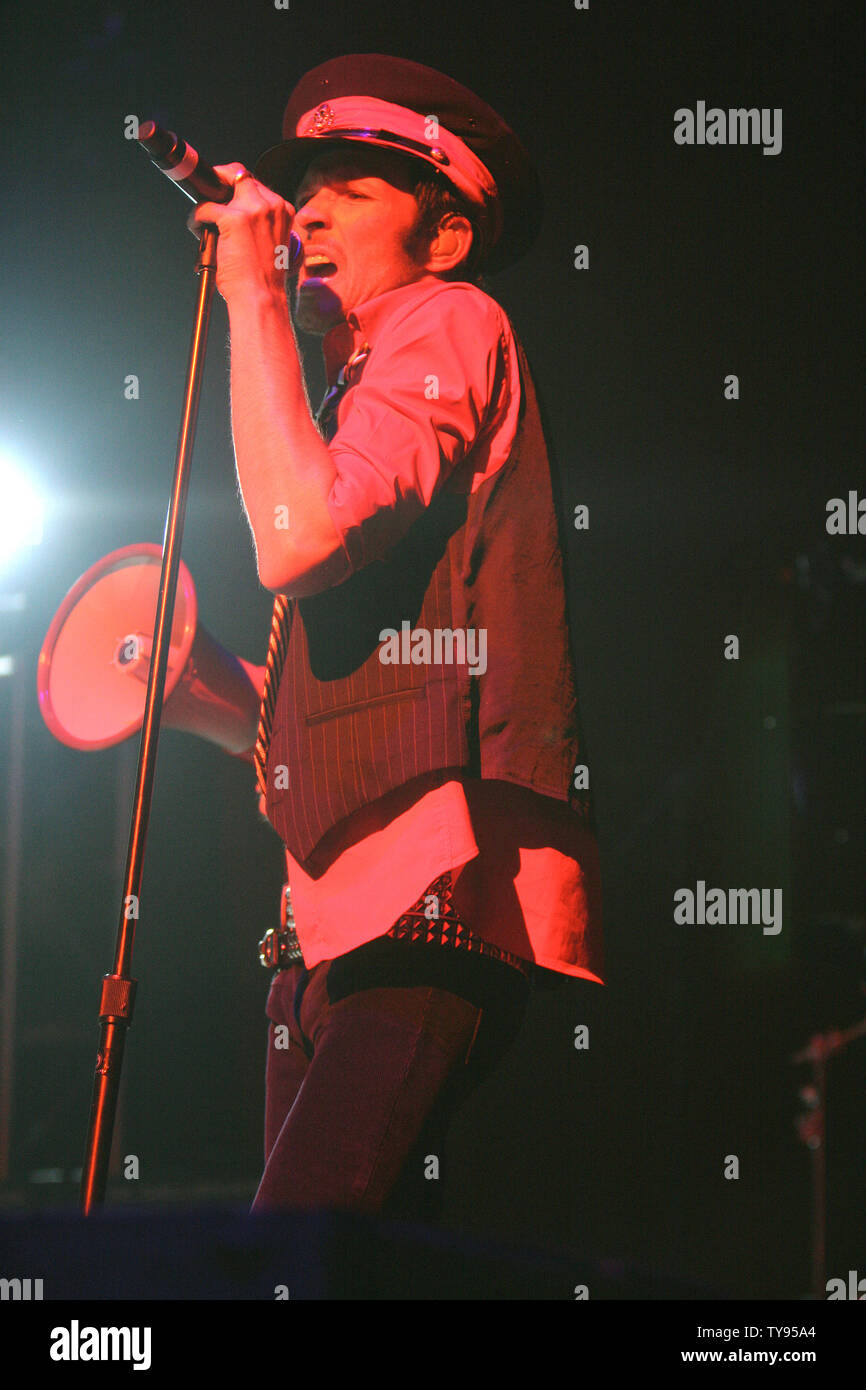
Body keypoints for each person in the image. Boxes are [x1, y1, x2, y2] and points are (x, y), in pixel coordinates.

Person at [192, 54, 604, 1222]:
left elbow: (299, 539)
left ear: (447, 236)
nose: (307, 211)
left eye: (351, 191)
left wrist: (253, 302)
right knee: (341, 1271)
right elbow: (354, 688)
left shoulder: (446, 319)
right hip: (321, 931)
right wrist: (198, 690)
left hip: (428, 900)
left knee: (292, 1259)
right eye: (301, 189)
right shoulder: (345, 386)